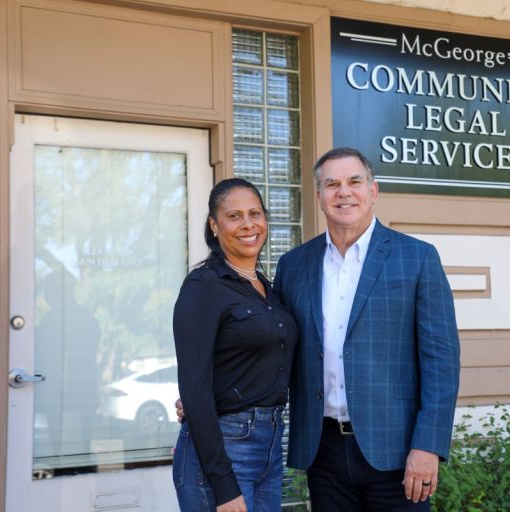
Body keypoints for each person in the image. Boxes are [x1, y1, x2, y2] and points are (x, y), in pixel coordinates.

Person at [273, 147, 461, 510]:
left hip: (397, 451)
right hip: (323, 451)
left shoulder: (417, 258)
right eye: (332, 184)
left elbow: (442, 362)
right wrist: (214, 397)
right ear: (320, 197)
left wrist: (428, 446)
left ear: (373, 191)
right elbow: (275, 351)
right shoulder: (293, 266)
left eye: (354, 182)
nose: (343, 192)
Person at [172, 178, 298, 512]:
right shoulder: (203, 287)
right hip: (224, 450)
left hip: (269, 447)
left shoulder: (267, 289)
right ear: (214, 225)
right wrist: (223, 484)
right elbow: (194, 387)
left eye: (255, 213)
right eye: (235, 216)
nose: (248, 224)